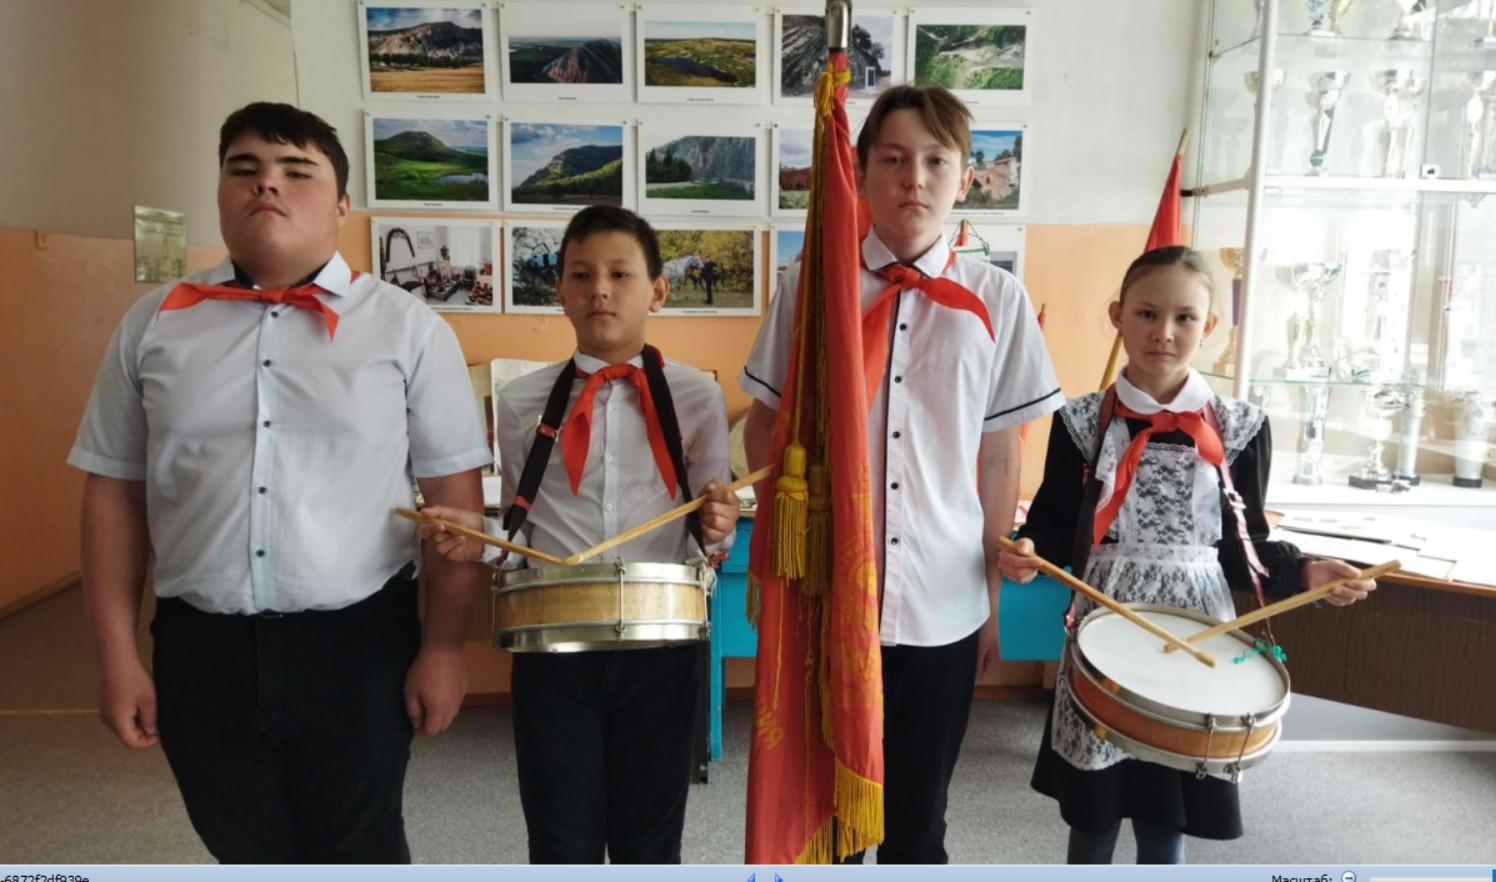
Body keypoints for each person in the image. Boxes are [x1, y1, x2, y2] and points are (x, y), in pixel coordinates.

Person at [68, 102, 491, 864]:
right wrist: (117, 657)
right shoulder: (153, 324)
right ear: (220, 192)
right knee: (244, 850)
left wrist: (444, 646)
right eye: (245, 169)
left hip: (358, 647)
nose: (267, 184)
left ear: (341, 206)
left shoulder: (407, 329)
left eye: (296, 172)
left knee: (359, 852)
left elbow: (455, 503)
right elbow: (114, 495)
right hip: (201, 648)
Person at [740, 83, 1063, 863]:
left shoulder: (997, 299)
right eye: (892, 159)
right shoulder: (811, 289)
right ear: (861, 172)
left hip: (943, 603)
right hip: (831, 597)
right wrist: (797, 545)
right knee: (829, 820)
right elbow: (764, 425)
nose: (914, 178)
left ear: (964, 177)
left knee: (918, 825)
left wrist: (989, 605)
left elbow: (998, 453)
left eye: (935, 161)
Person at [999, 245, 1378, 865]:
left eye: (1184, 318)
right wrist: (1027, 551)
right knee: (1094, 811)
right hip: (1105, 626)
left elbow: (1244, 546)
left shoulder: (1241, 426)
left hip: (1199, 634)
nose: (1164, 333)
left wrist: (1305, 569)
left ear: (1209, 326)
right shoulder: (1080, 422)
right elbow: (1052, 526)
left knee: (1166, 810)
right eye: (1147, 314)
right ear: (1118, 316)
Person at [419, 205, 740, 864]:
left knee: (651, 843)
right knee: (559, 837)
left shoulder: (696, 398)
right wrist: (478, 535)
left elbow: (708, 539)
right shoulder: (521, 402)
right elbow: (522, 527)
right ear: (560, 291)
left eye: (620, 274)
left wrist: (719, 524)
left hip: (661, 645)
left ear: (657, 290)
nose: (600, 289)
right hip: (554, 648)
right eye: (581, 274)